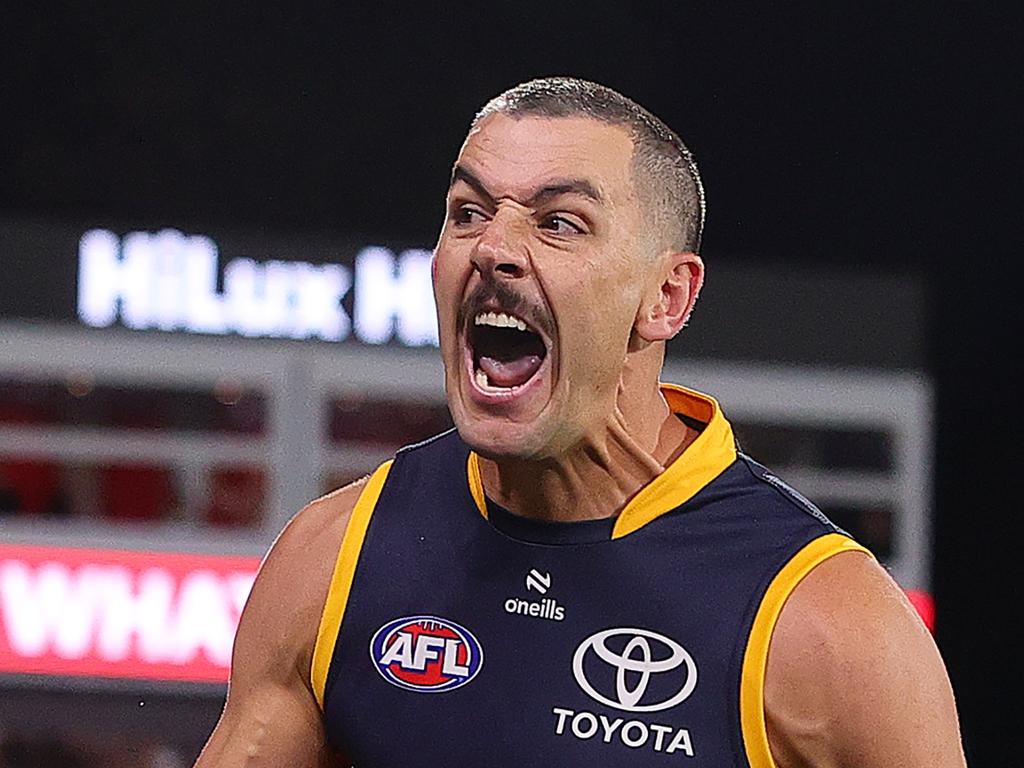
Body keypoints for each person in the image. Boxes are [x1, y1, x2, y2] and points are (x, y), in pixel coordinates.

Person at [195, 78, 965, 767]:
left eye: (559, 223)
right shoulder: (333, 559)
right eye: (468, 212)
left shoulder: (830, 625)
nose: (493, 246)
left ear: (666, 298)